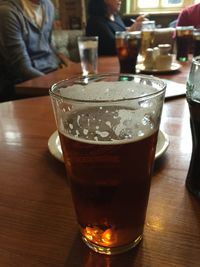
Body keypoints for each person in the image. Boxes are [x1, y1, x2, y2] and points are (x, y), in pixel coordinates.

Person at [0, 0, 62, 102]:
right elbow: (23, 69)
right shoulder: (7, 12)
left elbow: (49, 44)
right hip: (24, 86)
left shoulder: (49, 6)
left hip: (51, 75)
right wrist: (58, 88)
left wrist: (69, 65)